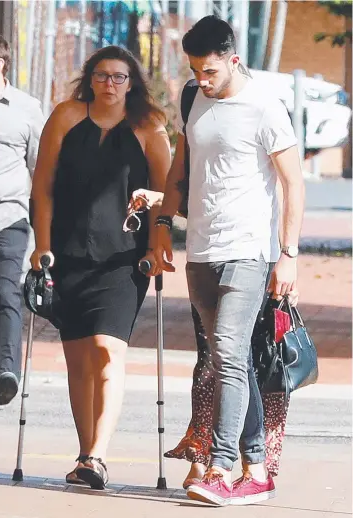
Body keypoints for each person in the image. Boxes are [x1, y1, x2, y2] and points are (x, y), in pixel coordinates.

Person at [154, 16, 305, 506]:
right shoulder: (194, 99)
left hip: (249, 249)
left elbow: (293, 183)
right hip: (201, 248)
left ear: (233, 59)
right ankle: (256, 467)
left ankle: (220, 467)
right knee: (228, 361)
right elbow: (182, 164)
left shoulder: (264, 106)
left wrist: (288, 256)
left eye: (210, 71)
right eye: (196, 70)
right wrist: (162, 226)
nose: (202, 79)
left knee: (228, 351)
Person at [30, 45, 170, 489]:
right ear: (90, 78)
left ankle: (97, 455)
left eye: (120, 77)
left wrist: (156, 247)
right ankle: (84, 452)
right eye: (103, 76)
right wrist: (42, 244)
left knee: (107, 351)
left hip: (123, 258)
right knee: (78, 360)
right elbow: (44, 187)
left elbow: (166, 198)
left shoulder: (149, 127)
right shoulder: (66, 117)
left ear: (132, 83)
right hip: (68, 254)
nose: (111, 84)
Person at [0, 32, 45, 406]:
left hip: (8, 215)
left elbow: (41, 170)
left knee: (5, 291)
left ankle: (3, 371)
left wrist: (45, 231)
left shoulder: (26, 108)